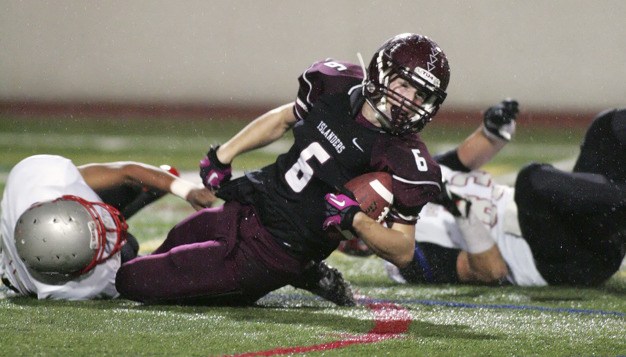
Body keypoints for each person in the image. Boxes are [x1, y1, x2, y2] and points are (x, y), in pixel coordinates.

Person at [115, 33, 452, 306]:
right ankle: (308, 273)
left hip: (272, 253)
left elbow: (404, 251)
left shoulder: (407, 158)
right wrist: (224, 154)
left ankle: (299, 269)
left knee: (130, 280)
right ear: (381, 72)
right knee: (171, 242)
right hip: (250, 205)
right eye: (404, 86)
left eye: (421, 95)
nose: (409, 101)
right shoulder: (335, 86)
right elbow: (283, 118)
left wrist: (357, 220)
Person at [384, 107, 626, 287]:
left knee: (609, 126)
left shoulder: (416, 177)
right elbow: (491, 271)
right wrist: (462, 211)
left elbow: (467, 154)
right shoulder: (405, 259)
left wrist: (494, 126)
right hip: (554, 260)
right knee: (532, 181)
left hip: (574, 224)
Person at [0, 154, 216, 300]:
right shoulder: (83, 287)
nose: (108, 228)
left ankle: (144, 192)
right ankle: (141, 198)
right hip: (44, 269)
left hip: (41, 227)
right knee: (129, 246)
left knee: (127, 185)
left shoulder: (40, 177)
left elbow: (127, 171)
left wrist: (187, 190)